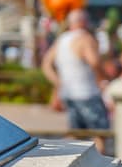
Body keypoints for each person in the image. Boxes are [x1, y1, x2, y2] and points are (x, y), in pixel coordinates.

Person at [41, 9, 110, 153]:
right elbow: (95, 62)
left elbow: (46, 64)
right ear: (84, 22)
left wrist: (59, 83)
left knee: (75, 136)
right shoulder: (85, 38)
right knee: (100, 136)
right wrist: (104, 79)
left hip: (69, 94)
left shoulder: (61, 39)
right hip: (88, 93)